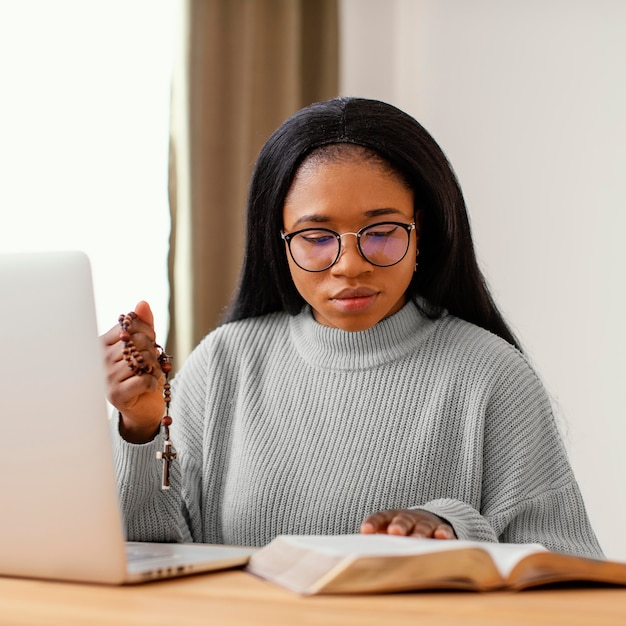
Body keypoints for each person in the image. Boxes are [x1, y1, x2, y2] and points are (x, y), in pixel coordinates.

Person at [103, 97, 603, 557]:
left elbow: (567, 573)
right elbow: (156, 557)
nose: (349, 265)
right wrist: (142, 427)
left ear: (421, 228)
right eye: (317, 237)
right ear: (278, 241)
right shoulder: (224, 363)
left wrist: (454, 530)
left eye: (382, 233)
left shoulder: (491, 375)